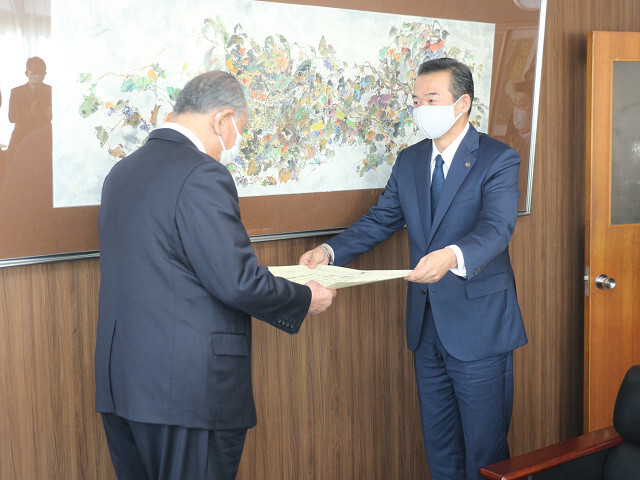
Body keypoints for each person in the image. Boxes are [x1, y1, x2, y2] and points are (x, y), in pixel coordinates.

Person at [95, 70, 337, 480]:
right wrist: (305, 298)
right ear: (222, 119)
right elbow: (236, 280)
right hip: (185, 392)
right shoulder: (202, 174)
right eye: (239, 129)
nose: (235, 143)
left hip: (124, 386)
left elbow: (174, 267)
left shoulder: (122, 172)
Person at [300, 58, 527, 480]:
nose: (421, 109)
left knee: (486, 453)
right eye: (416, 101)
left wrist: (451, 256)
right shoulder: (410, 160)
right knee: (439, 447)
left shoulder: (497, 158)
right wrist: (329, 251)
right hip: (426, 327)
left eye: (431, 99)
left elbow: (497, 229)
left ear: (462, 103)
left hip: (480, 327)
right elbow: (381, 220)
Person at [7, 56, 52, 161]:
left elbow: (59, 115)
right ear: (27, 73)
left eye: (41, 72)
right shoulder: (17, 92)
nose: (38, 75)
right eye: (35, 72)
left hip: (44, 140)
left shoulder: (50, 91)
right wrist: (30, 112)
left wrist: (52, 113)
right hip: (21, 139)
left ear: (45, 74)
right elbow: (12, 117)